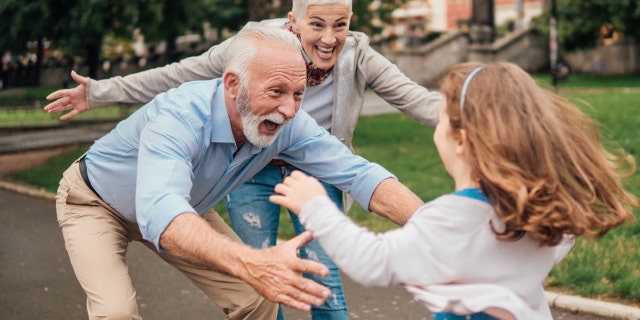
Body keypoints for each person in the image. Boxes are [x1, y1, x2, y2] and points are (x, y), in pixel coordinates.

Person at [44, 1, 441, 318]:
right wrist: (251, 262)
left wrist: (438, 229)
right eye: (276, 92)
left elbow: (359, 175)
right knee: (116, 311)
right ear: (232, 84)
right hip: (97, 204)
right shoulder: (179, 117)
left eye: (299, 94)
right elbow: (160, 211)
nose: (288, 110)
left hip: (186, 206)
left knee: (258, 298)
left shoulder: (290, 121)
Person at [269, 61, 639, 320]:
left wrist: (315, 205)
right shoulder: (541, 213)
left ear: (460, 140)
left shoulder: (453, 219)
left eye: (440, 120)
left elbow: (373, 262)